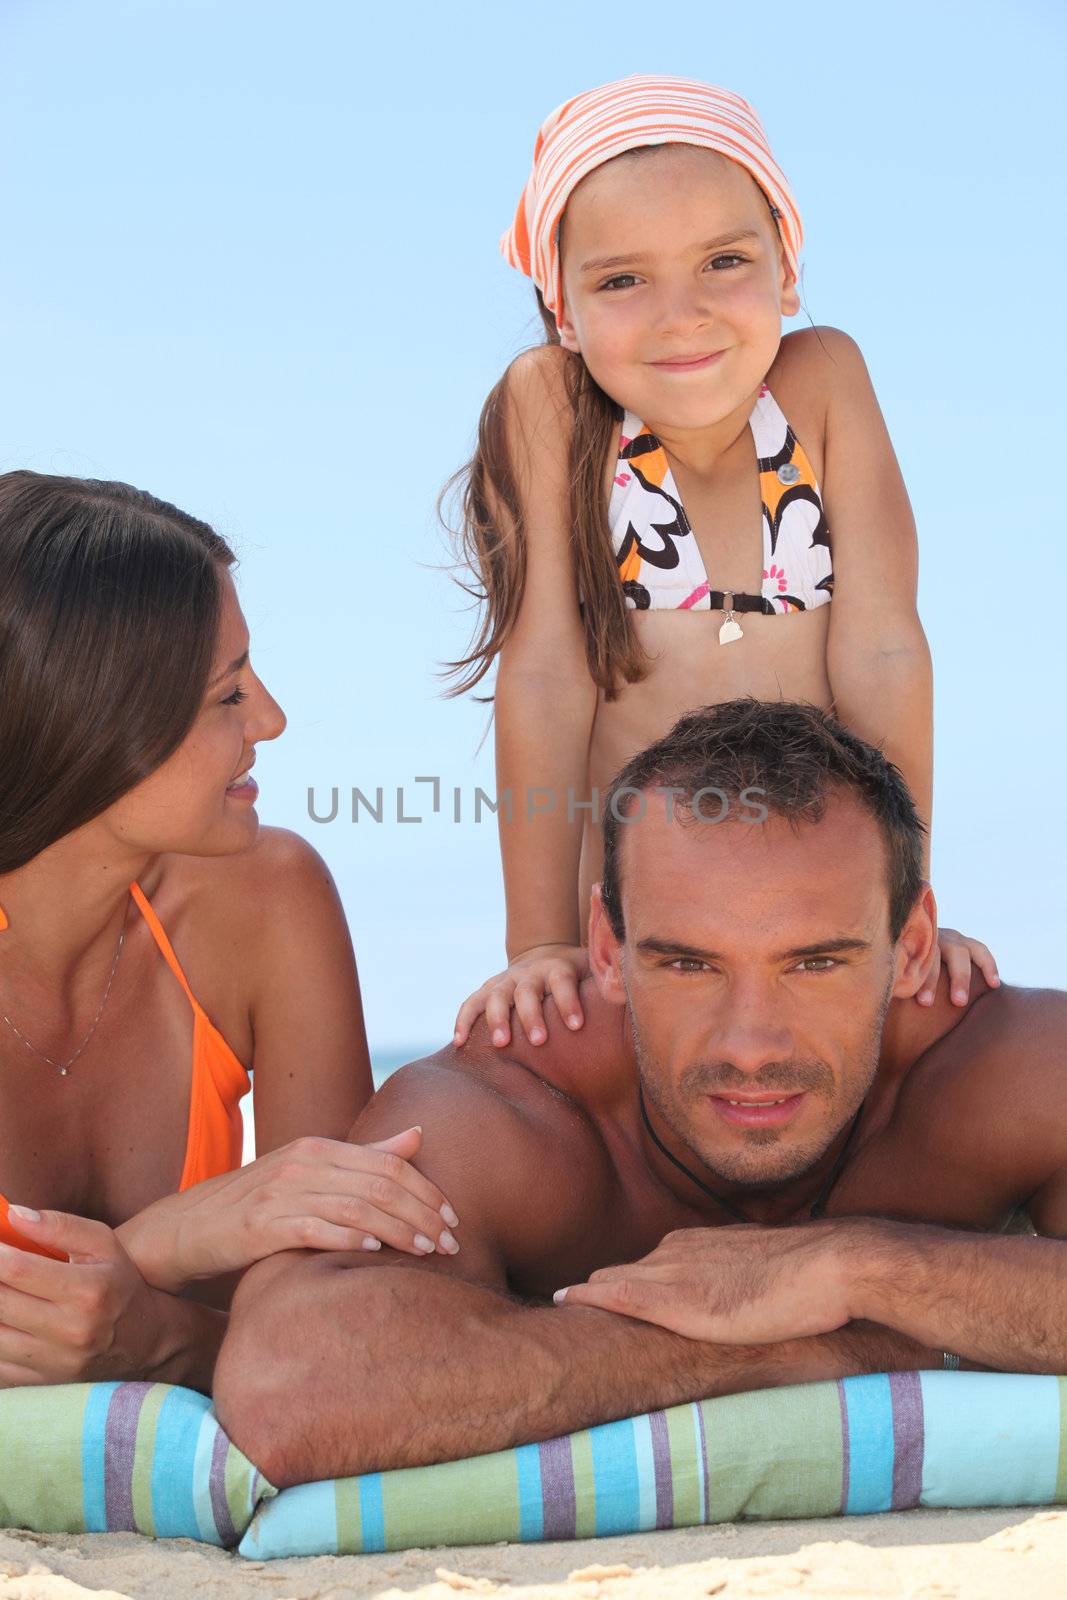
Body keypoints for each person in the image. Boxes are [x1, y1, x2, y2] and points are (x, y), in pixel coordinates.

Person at [213, 699, 1065, 1489]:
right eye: (687, 965)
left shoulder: (996, 1067)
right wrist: (777, 1344)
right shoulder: (511, 1102)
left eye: (816, 963)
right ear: (607, 952)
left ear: (911, 948)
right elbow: (288, 1388)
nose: (750, 1045)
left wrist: (860, 1268)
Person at [445, 74, 996, 1053]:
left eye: (722, 262)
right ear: (559, 306)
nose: (679, 313)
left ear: (785, 269)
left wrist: (903, 908)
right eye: (621, 280)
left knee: (965, 1038)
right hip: (634, 918)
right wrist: (535, 942)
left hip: (813, 901)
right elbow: (541, 678)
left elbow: (880, 652)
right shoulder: (552, 408)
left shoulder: (822, 381)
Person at [0, 471, 459, 1392]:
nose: (273, 720)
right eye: (227, 695)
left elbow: (345, 1317)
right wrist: (174, 1240)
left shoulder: (263, 901)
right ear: (88, 722)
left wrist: (155, 1330)